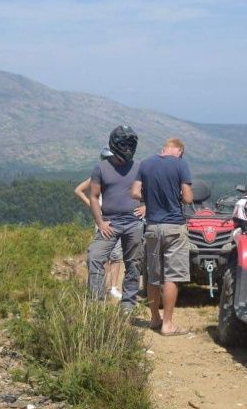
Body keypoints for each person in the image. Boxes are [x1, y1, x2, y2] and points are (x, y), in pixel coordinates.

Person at [131, 138, 193, 336]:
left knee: (153, 275)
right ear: (179, 151)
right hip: (174, 226)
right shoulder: (180, 164)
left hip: (152, 226)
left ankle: (154, 319)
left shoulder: (145, 164)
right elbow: (188, 198)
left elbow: (134, 193)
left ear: (164, 147)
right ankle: (168, 324)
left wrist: (148, 198)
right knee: (172, 276)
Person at [87, 126, 144, 310]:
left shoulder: (139, 167)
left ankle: (128, 305)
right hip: (109, 222)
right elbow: (94, 196)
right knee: (94, 256)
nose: (127, 148)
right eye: (123, 144)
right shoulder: (101, 168)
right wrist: (100, 222)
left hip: (134, 222)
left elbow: (151, 192)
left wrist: (146, 207)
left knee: (134, 263)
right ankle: (97, 303)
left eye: (130, 144)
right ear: (114, 144)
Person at [75, 147, 126, 299]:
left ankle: (112, 287)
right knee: (108, 254)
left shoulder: (107, 175)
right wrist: (92, 205)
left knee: (115, 255)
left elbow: (78, 190)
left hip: (111, 218)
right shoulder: (99, 176)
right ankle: (107, 286)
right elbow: (78, 190)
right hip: (104, 219)